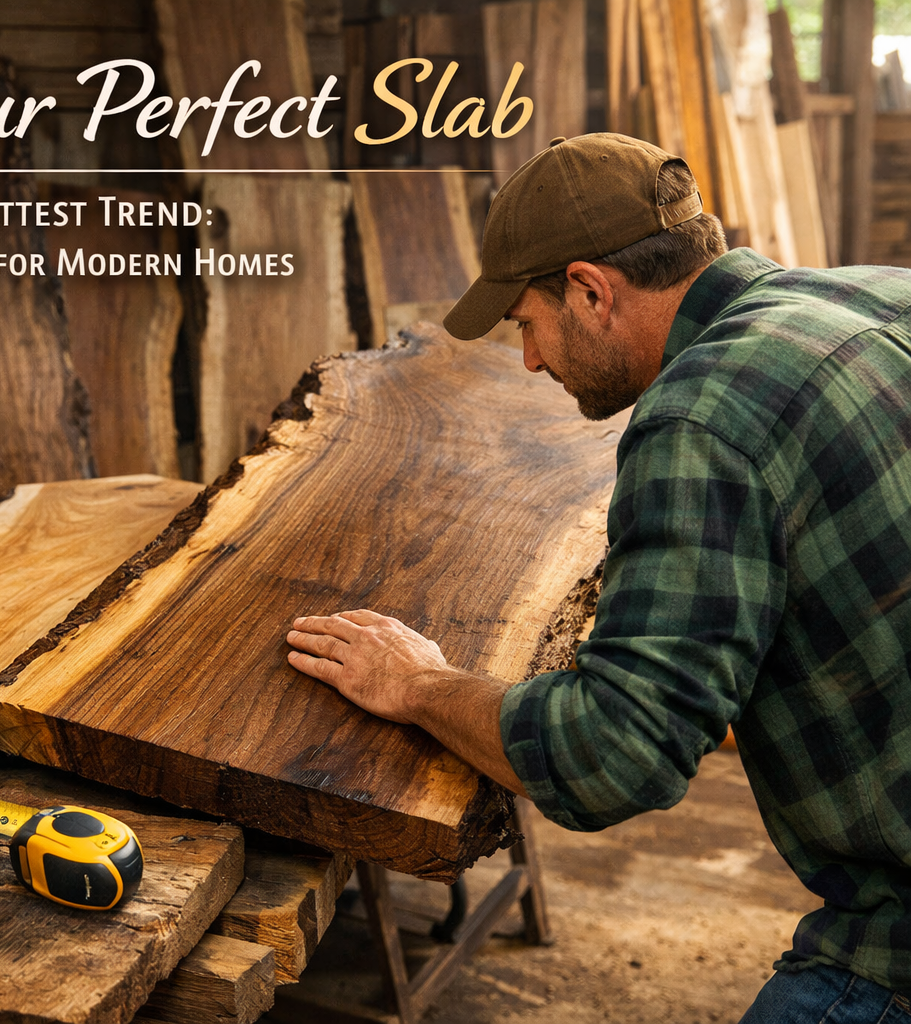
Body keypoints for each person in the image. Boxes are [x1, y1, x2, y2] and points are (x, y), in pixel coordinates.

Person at [284, 133, 911, 1022]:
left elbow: (616, 754)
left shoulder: (702, 420)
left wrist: (420, 684)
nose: (532, 360)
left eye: (526, 325)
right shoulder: (879, 292)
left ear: (589, 289)